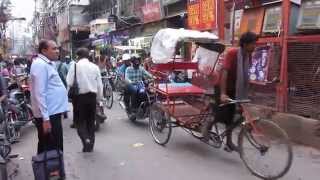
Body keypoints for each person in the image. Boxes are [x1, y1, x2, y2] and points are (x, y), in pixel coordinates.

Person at [208, 32, 258, 152]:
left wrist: (249, 91)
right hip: (221, 85)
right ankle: (207, 126)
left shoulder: (248, 56)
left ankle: (229, 142)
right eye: (253, 44)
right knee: (222, 114)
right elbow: (224, 73)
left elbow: (245, 75)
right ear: (245, 44)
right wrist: (223, 93)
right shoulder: (232, 53)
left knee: (232, 117)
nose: (254, 46)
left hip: (235, 88)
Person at [30, 39, 68, 154]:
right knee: (51, 148)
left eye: (57, 48)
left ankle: (50, 170)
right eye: (54, 49)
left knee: (49, 146)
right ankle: (51, 171)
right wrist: (46, 119)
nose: (57, 51)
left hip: (52, 113)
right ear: (44, 50)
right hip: (48, 115)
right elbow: (39, 93)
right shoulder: (40, 65)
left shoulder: (46, 64)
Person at [66, 47, 103, 152]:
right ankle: (90, 144)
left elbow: (69, 82)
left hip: (79, 99)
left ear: (78, 56)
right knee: (91, 122)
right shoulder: (94, 67)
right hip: (92, 97)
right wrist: (98, 98)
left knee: (80, 122)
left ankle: (85, 139)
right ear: (88, 56)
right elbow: (100, 85)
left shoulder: (75, 66)